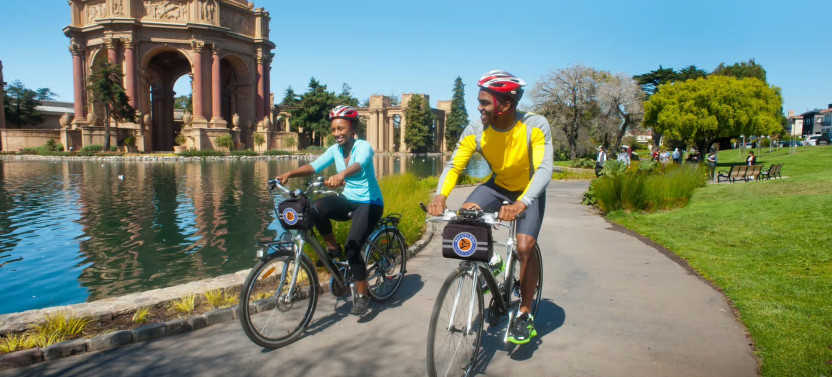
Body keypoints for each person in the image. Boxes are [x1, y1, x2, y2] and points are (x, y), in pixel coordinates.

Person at [428, 70, 553, 345]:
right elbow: (454, 166)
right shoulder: (476, 129)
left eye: (484, 102)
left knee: (523, 248)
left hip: (528, 191)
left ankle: (524, 313)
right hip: (498, 187)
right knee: (465, 219)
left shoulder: (535, 125)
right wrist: (440, 196)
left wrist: (522, 203)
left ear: (506, 105)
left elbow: (544, 170)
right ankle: (493, 262)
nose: (479, 107)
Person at [276, 105, 383, 315]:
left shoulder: (363, 146)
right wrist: (290, 173)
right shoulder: (335, 150)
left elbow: (359, 165)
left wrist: (342, 174)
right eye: (333, 130)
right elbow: (314, 166)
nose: (337, 134)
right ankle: (332, 248)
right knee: (315, 208)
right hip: (348, 199)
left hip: (370, 203)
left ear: (352, 129)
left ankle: (363, 296)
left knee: (352, 246)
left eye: (341, 129)